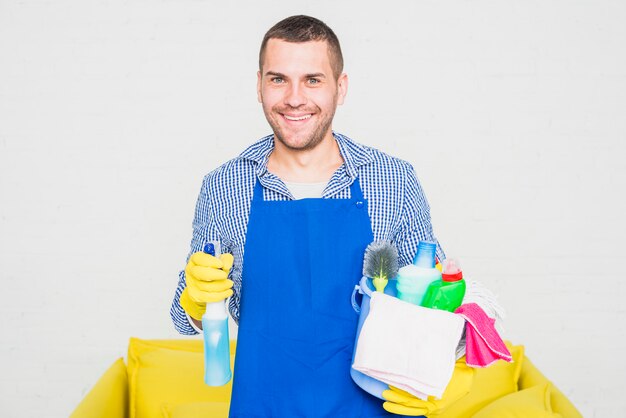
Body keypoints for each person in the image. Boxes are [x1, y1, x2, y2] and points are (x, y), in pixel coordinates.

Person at [170, 15, 448, 417]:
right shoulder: (223, 186)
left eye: (313, 80)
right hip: (263, 405)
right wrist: (195, 298)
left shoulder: (393, 179)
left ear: (341, 87)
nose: (294, 98)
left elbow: (435, 303)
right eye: (278, 79)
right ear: (259, 85)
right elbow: (183, 318)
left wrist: (448, 371)